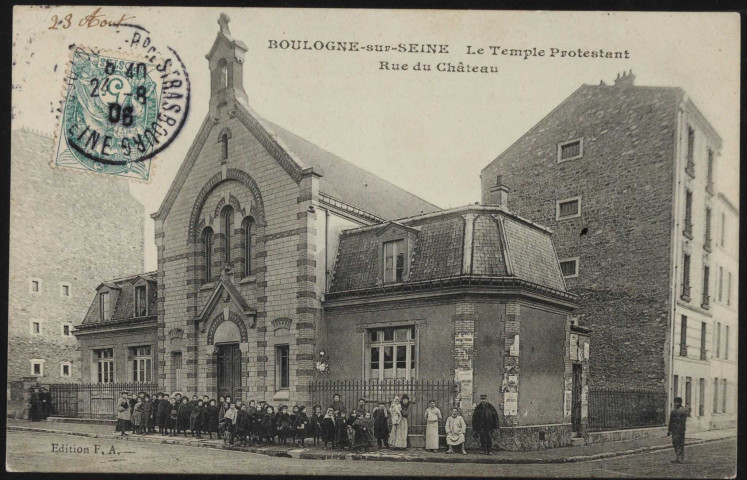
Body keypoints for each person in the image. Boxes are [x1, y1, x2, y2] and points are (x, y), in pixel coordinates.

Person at [667, 397, 692, 463]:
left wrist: (669, 430)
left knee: (675, 443)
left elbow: (671, 421)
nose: (675, 404)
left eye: (676, 402)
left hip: (675, 429)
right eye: (675, 402)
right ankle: (680, 458)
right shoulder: (685, 410)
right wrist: (689, 407)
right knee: (681, 443)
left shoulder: (674, 411)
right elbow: (689, 413)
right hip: (682, 429)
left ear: (679, 403)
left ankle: (679, 458)